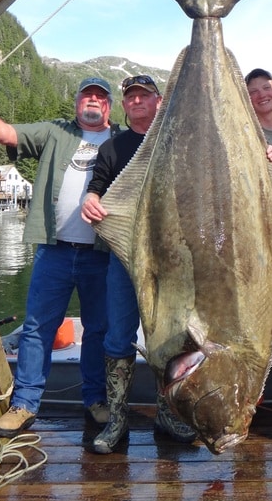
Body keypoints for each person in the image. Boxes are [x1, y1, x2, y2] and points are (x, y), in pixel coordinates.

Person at [0, 75, 119, 437]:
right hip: (53, 250)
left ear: (109, 107)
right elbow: (6, 133)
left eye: (100, 98)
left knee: (99, 330)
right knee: (38, 329)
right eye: (86, 95)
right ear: (76, 103)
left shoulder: (122, 140)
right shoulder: (55, 131)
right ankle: (24, 403)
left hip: (102, 253)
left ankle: (96, 400)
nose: (93, 101)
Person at [81, 74, 197, 451]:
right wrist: (90, 199)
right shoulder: (113, 148)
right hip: (124, 258)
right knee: (118, 337)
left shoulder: (177, 142)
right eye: (130, 97)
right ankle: (117, 421)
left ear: (159, 101)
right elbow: (96, 186)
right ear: (125, 105)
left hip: (172, 261)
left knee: (169, 338)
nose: (136, 102)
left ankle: (168, 415)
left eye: (144, 96)